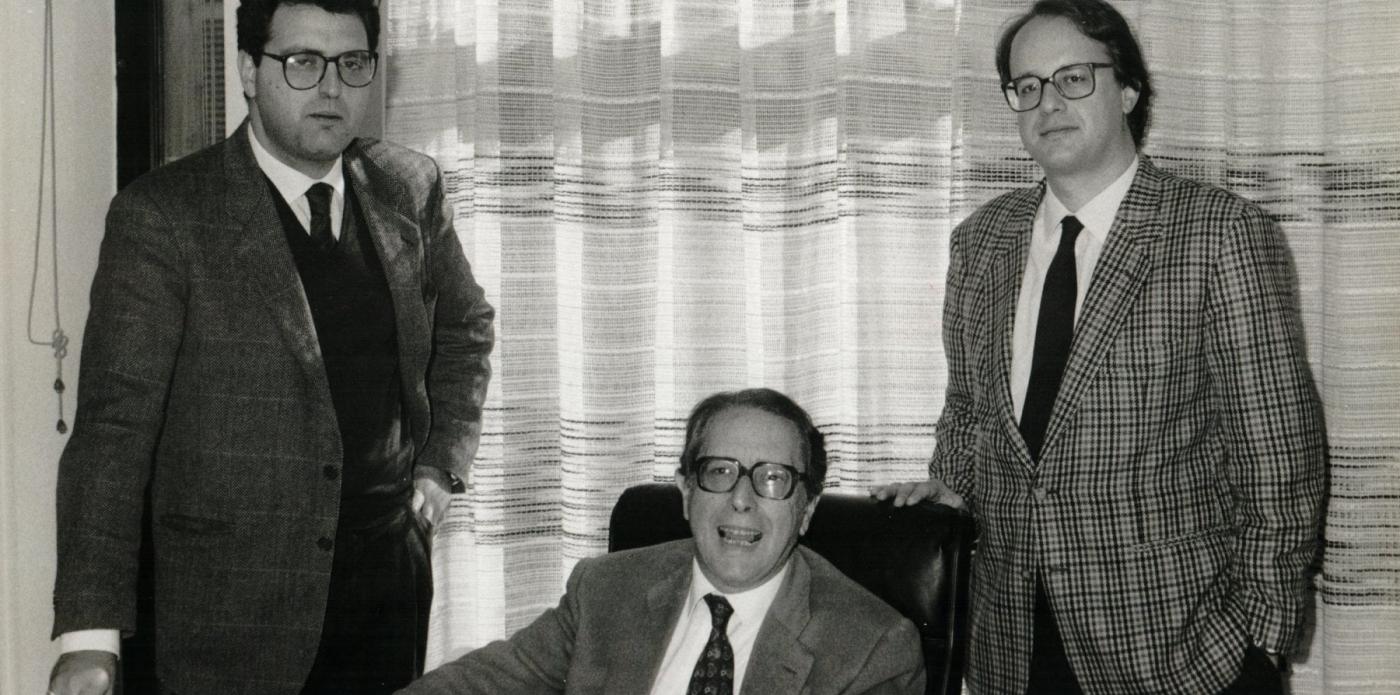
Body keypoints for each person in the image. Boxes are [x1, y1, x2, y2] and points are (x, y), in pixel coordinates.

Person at [874, 1, 1325, 693]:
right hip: (1011, 645)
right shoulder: (980, 242)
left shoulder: (1219, 234)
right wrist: (953, 489)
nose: (1048, 103)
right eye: (1027, 86)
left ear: (1129, 90)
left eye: (1074, 78)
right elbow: (967, 411)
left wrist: (1259, 642)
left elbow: (1280, 458)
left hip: (1180, 650)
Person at [47, 1, 495, 693]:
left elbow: (466, 328)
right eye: (303, 62)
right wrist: (89, 638)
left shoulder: (409, 187)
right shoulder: (165, 217)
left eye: (352, 63)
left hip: (385, 597)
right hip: (226, 613)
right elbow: (113, 433)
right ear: (250, 72)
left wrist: (440, 466)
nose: (331, 88)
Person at [401, 388, 925, 695]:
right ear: (685, 493)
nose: (741, 500)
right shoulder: (605, 590)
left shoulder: (872, 650)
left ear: (806, 509)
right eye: (719, 471)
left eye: (772, 478)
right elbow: (481, 682)